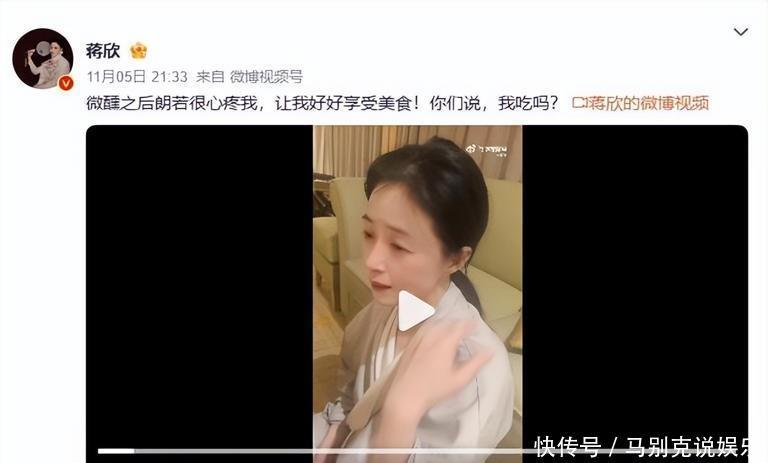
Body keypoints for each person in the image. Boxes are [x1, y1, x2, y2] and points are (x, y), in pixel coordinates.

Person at [314, 137, 515, 463]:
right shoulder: (386, 308)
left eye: (399, 246)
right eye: (369, 234)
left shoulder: (480, 372)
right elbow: (350, 386)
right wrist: (336, 431)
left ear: (455, 259)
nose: (372, 261)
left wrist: (400, 417)